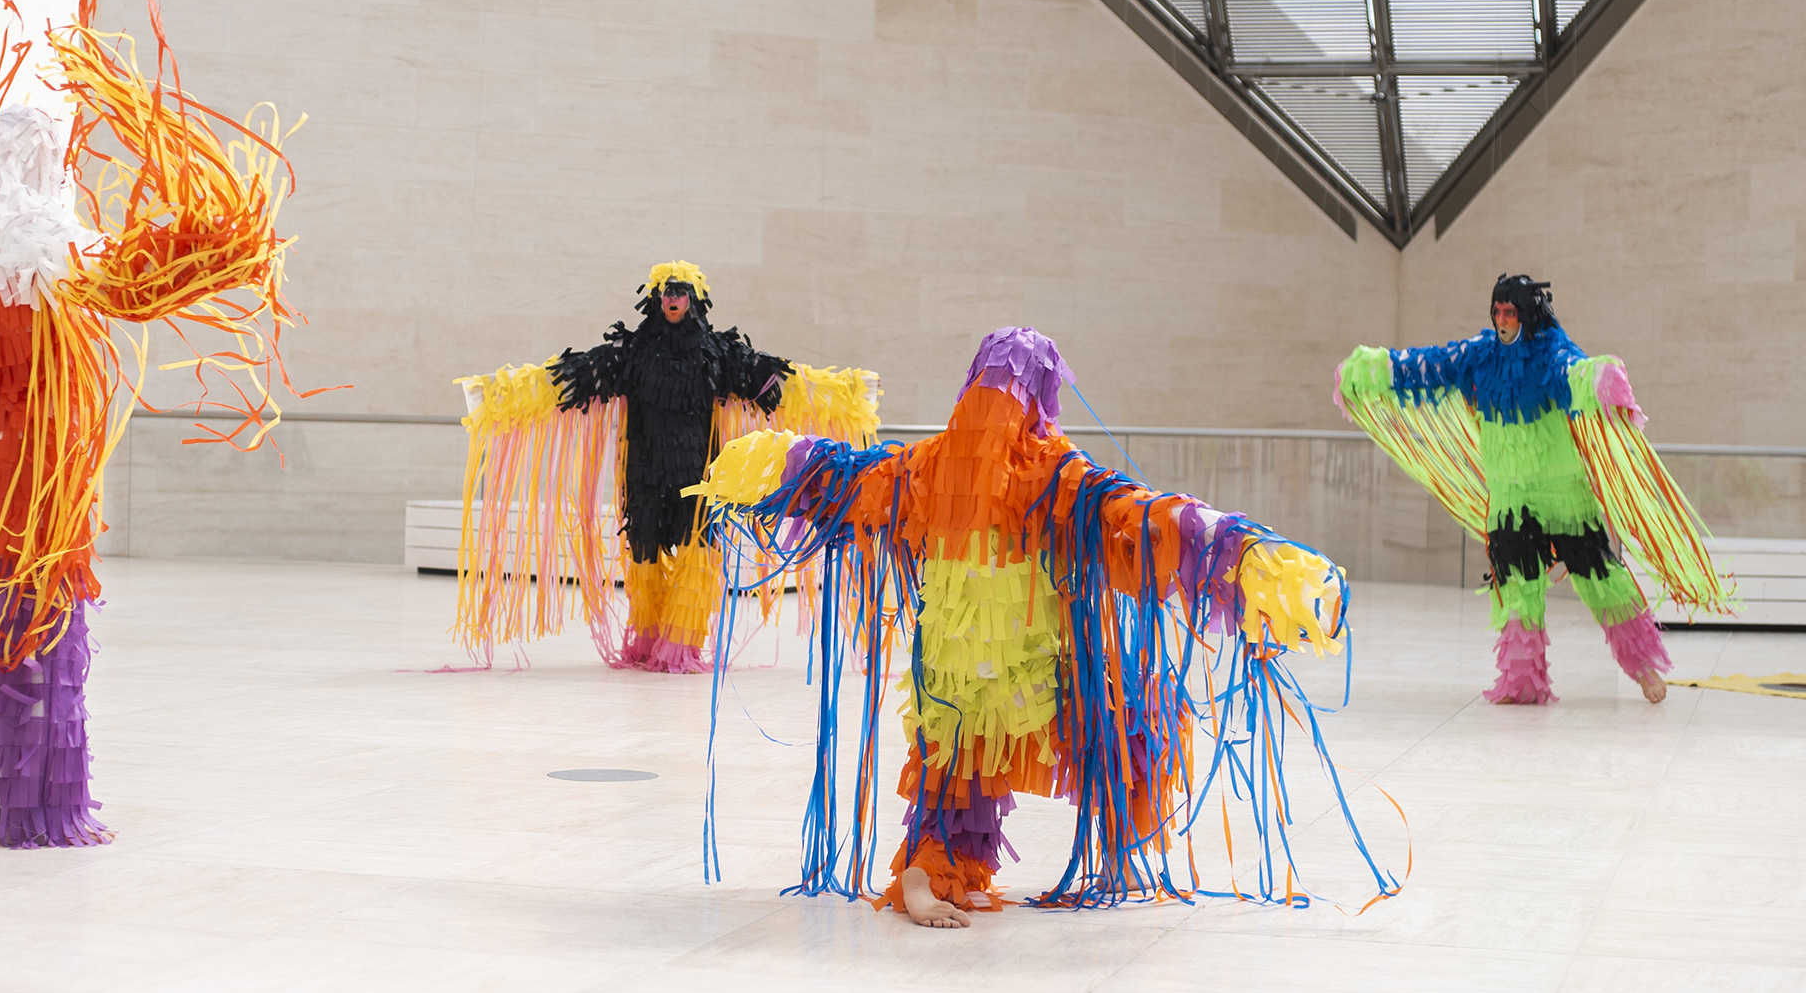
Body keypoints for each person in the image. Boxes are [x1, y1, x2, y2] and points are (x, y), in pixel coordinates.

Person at [691, 327, 1395, 926]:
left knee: (957, 776)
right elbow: (1142, 517)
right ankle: (1116, 848)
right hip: (1036, 674)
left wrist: (766, 464)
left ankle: (930, 874)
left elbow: (841, 477)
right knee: (1136, 719)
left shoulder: (924, 465)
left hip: (953, 687)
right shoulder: (1051, 469)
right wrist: (1244, 555)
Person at [0, 0, 305, 846]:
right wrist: (226, 235)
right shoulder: (40, 260)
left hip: (8, 486)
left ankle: (10, 801)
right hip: (29, 486)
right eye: (47, 155)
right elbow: (141, 279)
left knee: (15, 627)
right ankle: (31, 809)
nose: (57, 167)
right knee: (36, 628)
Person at [453, 263, 878, 671]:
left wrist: (848, 393)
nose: (673, 299)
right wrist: (497, 394)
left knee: (699, 552)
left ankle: (681, 646)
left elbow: (780, 382)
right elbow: (569, 378)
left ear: (695, 300)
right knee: (644, 555)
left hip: (699, 479)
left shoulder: (719, 354)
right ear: (655, 300)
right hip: (644, 477)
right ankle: (648, 638)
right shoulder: (632, 352)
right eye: (667, 292)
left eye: (681, 292)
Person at [1336, 273, 1727, 705]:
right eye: (1497, 312)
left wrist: (1599, 378)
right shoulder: (1480, 353)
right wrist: (1380, 368)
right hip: (1509, 498)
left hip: (1564, 496)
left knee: (1601, 578)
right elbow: (1431, 363)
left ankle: (1643, 666)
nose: (1502, 320)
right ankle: (1522, 682)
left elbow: (1572, 371)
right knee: (1517, 587)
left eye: (1510, 312)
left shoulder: (1549, 350)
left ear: (1528, 315)